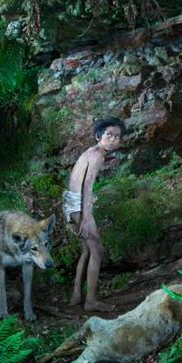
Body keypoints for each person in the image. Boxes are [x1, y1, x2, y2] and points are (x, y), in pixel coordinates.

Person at [63, 117, 126, 312]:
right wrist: (86, 217)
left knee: (87, 250)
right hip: (77, 205)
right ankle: (90, 301)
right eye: (109, 135)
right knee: (97, 251)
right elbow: (87, 186)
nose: (114, 140)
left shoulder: (92, 152)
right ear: (99, 136)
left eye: (118, 136)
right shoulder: (97, 155)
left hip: (71, 203)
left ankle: (76, 295)